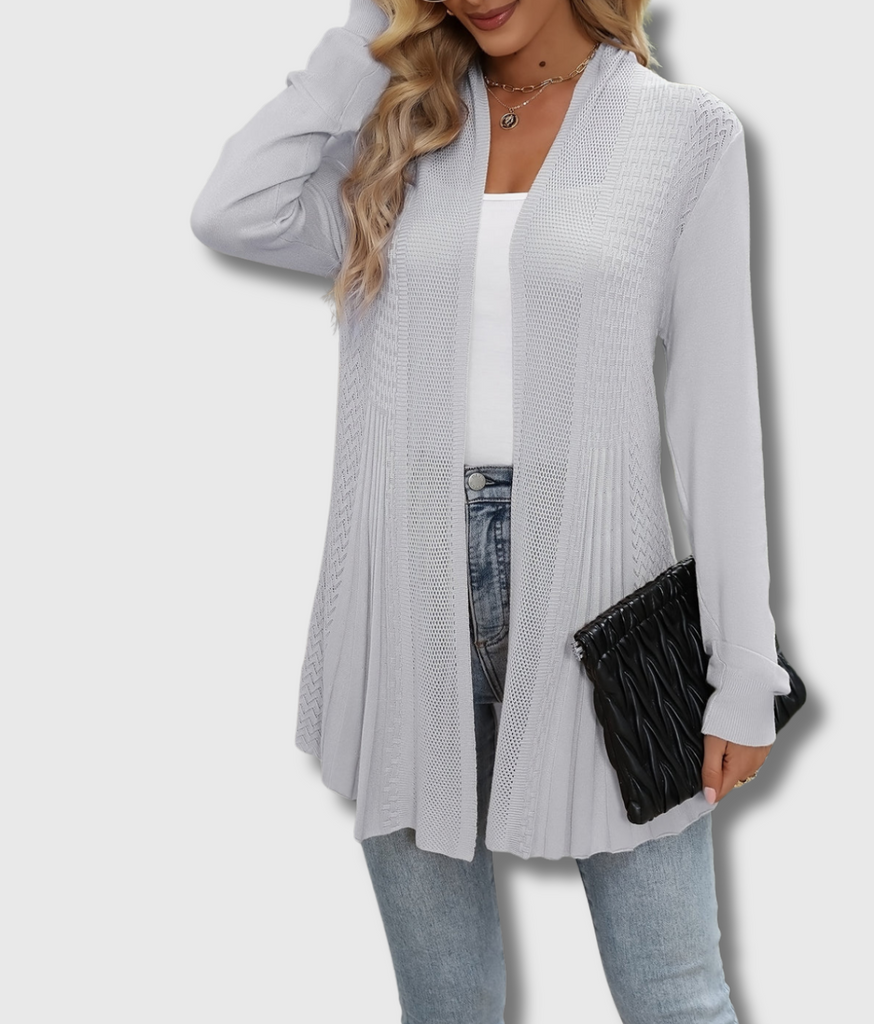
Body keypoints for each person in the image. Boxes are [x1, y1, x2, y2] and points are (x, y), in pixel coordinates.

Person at [191, 0, 795, 1020]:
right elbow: (234, 209)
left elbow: (717, 415)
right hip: (401, 588)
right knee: (445, 1004)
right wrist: (368, 31)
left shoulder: (682, 134)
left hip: (605, 600)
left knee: (676, 995)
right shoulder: (406, 128)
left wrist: (744, 666)